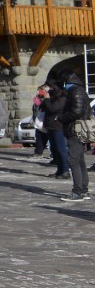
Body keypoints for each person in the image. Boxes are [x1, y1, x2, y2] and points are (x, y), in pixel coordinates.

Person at [57, 70, 91, 202]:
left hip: (75, 130)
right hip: (76, 129)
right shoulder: (78, 90)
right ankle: (84, 190)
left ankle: (77, 192)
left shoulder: (76, 91)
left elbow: (76, 111)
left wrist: (61, 118)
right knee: (80, 160)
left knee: (73, 160)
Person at [42, 80, 70, 179]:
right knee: (55, 149)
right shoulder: (52, 97)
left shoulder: (62, 97)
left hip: (58, 126)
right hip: (51, 126)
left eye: (48, 87)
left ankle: (65, 170)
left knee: (61, 149)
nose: (47, 89)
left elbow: (52, 108)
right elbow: (44, 108)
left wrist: (46, 99)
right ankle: (59, 170)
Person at [30, 84, 50, 161]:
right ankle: (38, 152)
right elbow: (35, 110)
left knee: (51, 138)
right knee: (39, 138)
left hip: (46, 121)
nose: (39, 91)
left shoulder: (48, 98)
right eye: (39, 89)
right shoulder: (37, 98)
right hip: (39, 121)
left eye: (41, 89)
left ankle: (53, 153)